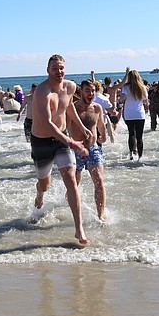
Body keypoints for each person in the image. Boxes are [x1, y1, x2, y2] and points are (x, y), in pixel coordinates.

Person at [31, 55, 92, 244]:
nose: (59, 71)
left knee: (71, 179)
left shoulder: (71, 87)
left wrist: (82, 127)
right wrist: (72, 142)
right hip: (41, 140)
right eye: (55, 68)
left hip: (62, 139)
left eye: (61, 68)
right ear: (48, 70)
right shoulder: (42, 92)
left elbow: (68, 107)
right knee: (45, 185)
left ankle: (78, 229)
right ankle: (39, 193)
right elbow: (47, 123)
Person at [71, 79, 107, 221]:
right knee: (74, 184)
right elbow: (64, 127)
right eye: (88, 90)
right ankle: (69, 207)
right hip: (76, 150)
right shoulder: (73, 108)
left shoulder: (97, 108)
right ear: (81, 92)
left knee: (98, 180)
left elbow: (101, 125)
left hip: (93, 148)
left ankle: (101, 215)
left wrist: (103, 136)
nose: (91, 93)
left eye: (93, 91)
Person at [120, 68, 148, 161]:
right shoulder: (142, 87)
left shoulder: (126, 87)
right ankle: (140, 157)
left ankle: (131, 154)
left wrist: (123, 98)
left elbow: (122, 98)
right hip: (139, 114)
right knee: (139, 136)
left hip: (129, 114)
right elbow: (146, 101)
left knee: (131, 134)